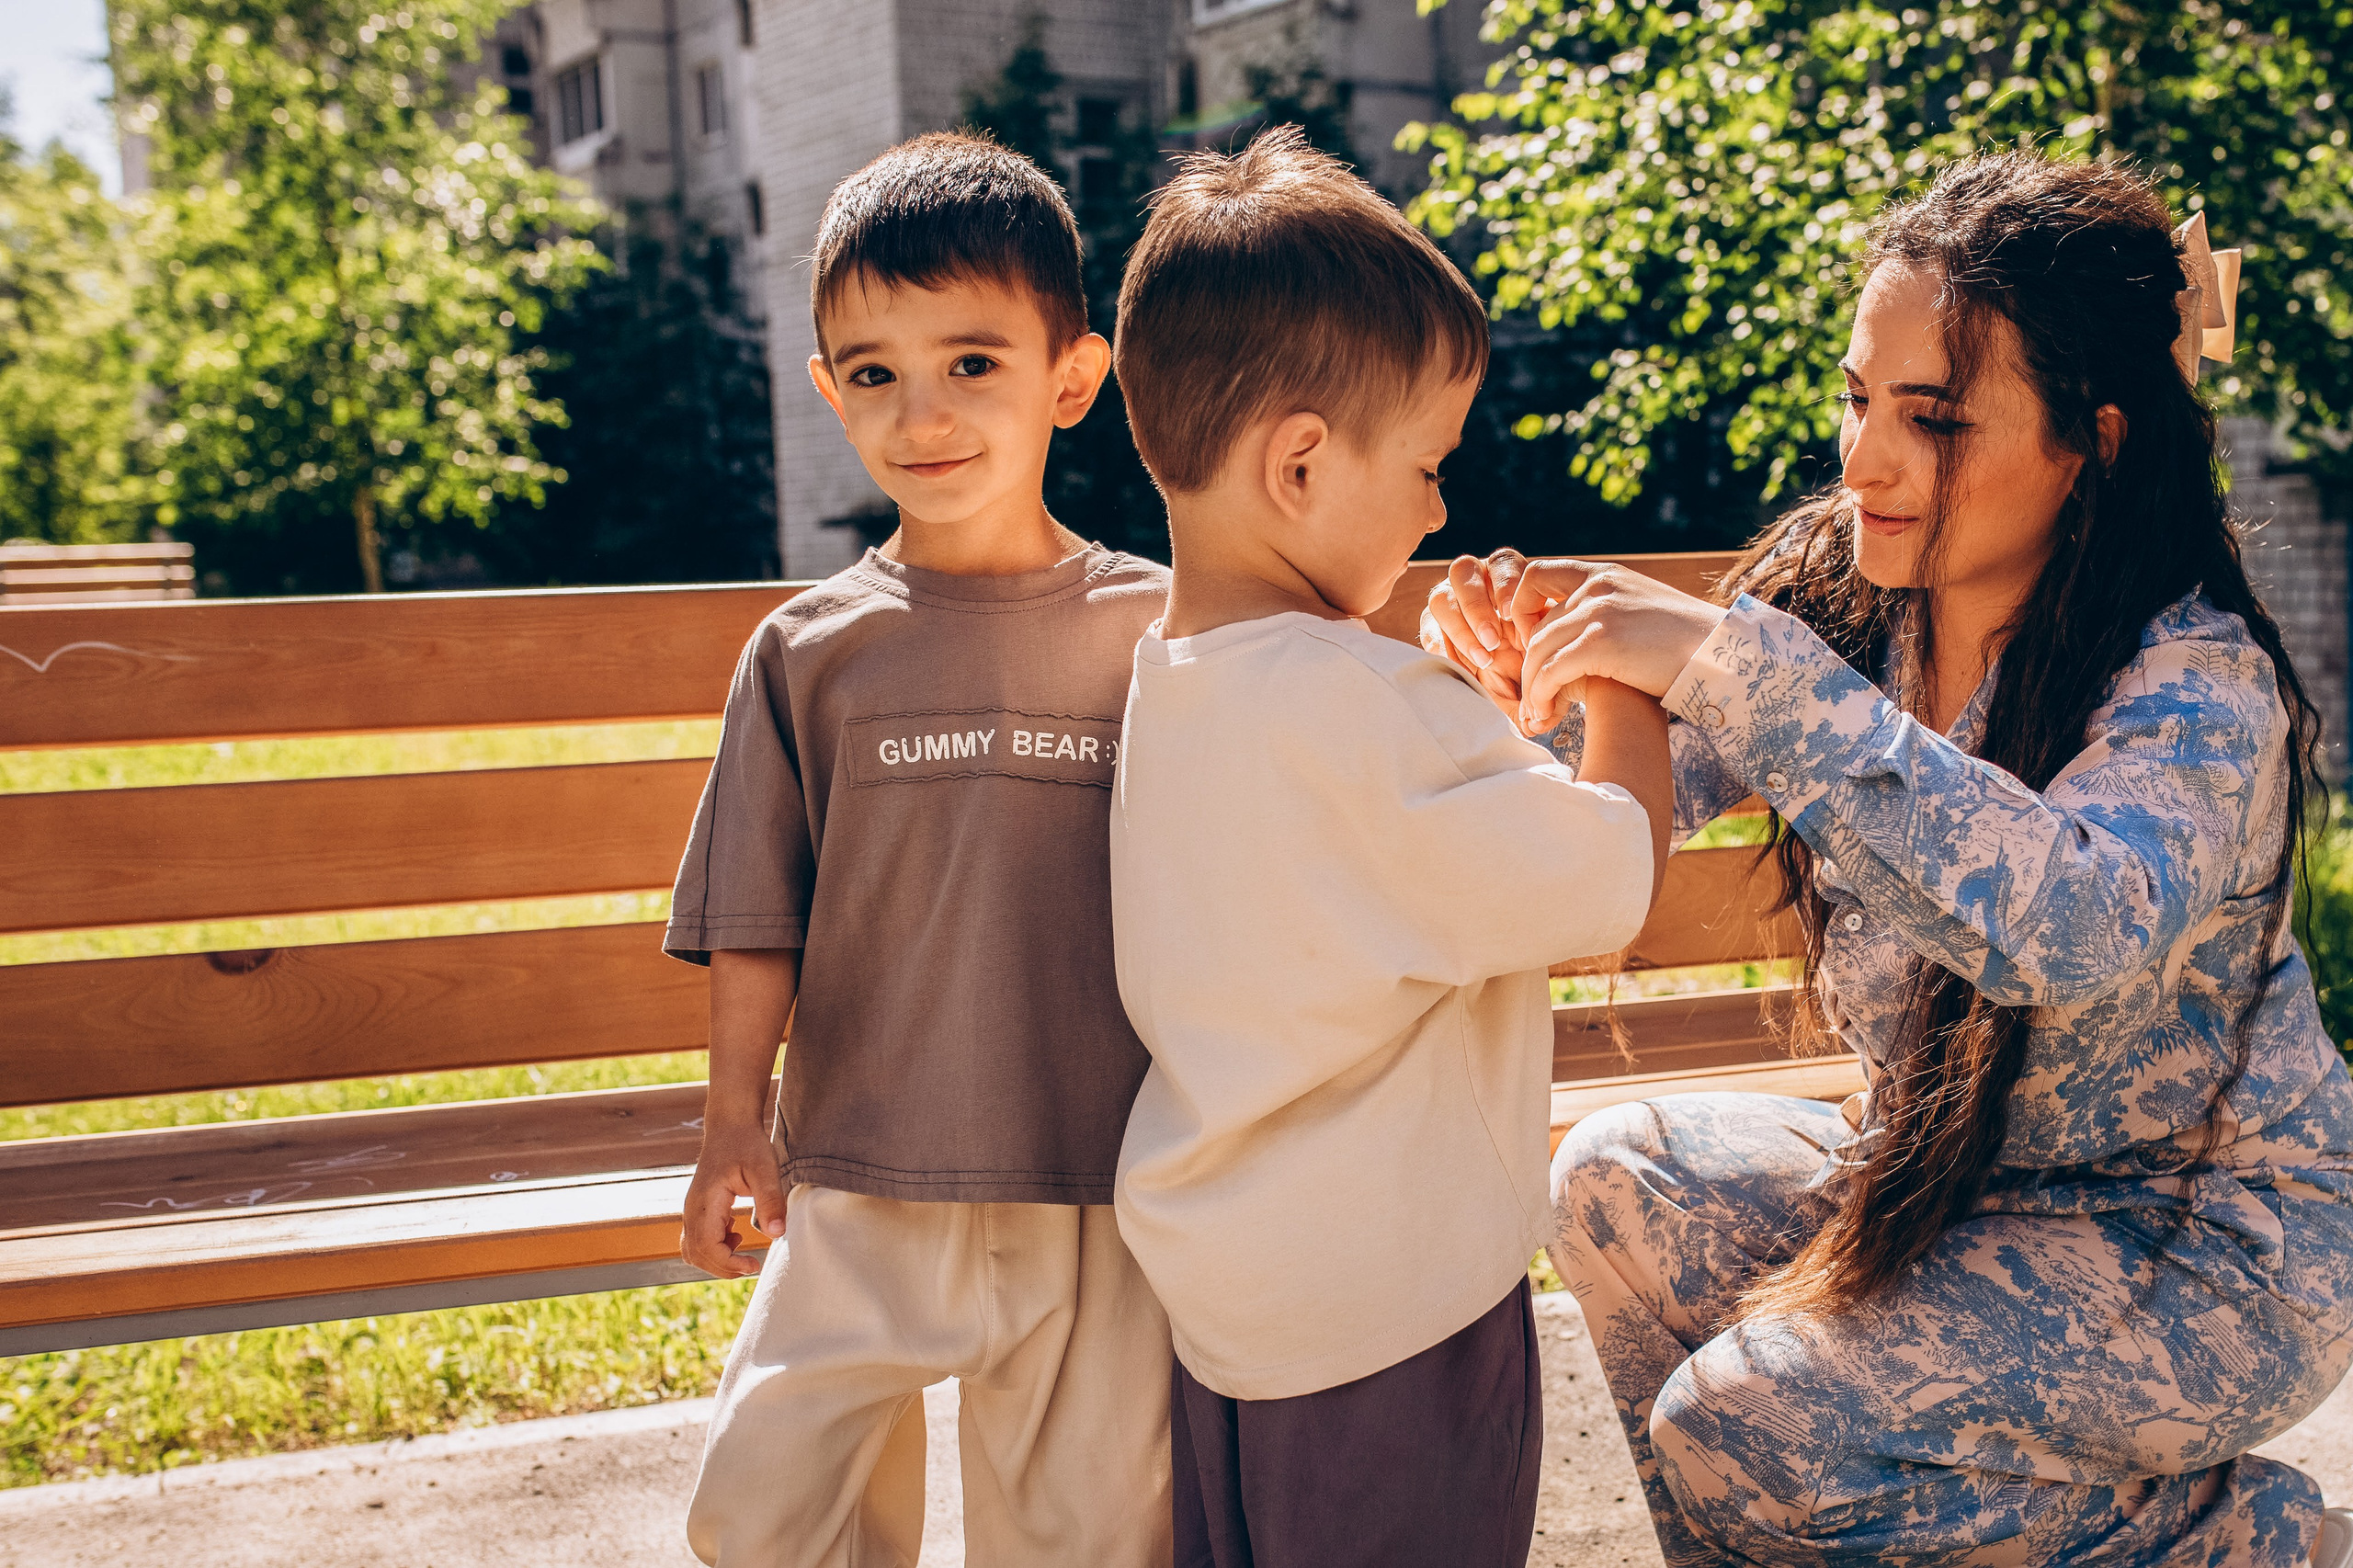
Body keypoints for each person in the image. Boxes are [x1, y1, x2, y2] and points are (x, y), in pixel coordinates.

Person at [1424, 150, 2353, 1567]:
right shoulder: (1851, 597)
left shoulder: (2196, 684)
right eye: (1859, 399)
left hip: (2205, 1251)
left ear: (2094, 441)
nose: (1863, 458)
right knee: (1615, 1181)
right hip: (1948, 1190)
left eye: (1933, 417)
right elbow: (1617, 805)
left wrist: (1730, 662)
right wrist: (1523, 688)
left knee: (1748, 1422)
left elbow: (2066, 922)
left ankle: (2241, 1539)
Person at [1105, 125, 1676, 1566]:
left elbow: (1370, 853)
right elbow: (1609, 870)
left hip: (1232, 1312)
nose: (1438, 506)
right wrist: (1625, 680)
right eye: (1426, 464)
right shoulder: (1368, 710)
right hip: (1393, 1317)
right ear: (1299, 465)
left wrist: (1449, 689)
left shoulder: (1172, 682)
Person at [663, 131, 1174, 1567]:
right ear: (829, 392)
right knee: (762, 1512)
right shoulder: (806, 651)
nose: (923, 412)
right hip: (863, 1177)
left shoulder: (1159, 629)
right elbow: (755, 912)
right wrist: (730, 1123)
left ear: (1072, 376)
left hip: (1096, 1181)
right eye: (874, 373)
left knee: (1088, 1539)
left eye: (971, 362)